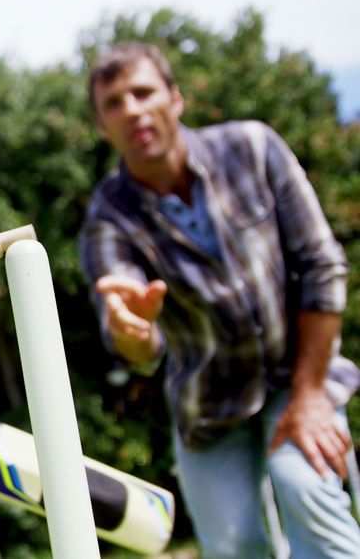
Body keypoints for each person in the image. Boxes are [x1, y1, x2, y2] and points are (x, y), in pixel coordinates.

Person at [79, 41, 360, 558]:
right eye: (114, 103)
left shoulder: (253, 148)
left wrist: (311, 394)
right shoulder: (107, 219)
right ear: (103, 126)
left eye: (143, 92)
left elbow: (322, 265)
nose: (132, 110)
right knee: (234, 547)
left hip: (298, 374)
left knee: (306, 487)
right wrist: (132, 330)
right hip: (207, 405)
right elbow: (134, 342)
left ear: (175, 98)